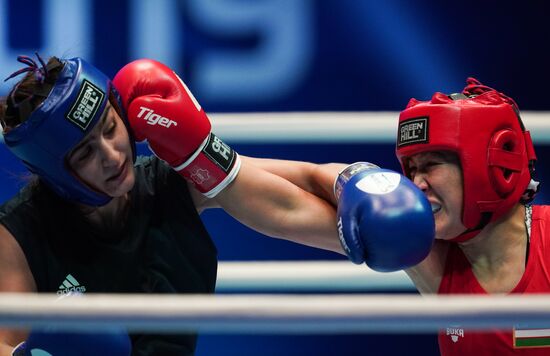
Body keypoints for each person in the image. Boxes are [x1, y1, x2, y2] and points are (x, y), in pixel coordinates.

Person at [0, 54, 435, 355]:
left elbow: (294, 186)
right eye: (85, 154)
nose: (112, 156)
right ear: (56, 172)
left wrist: (355, 187)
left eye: (110, 130)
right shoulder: (20, 232)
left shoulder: (169, 180)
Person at [393, 78, 548, 355]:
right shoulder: (432, 257)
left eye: (431, 165)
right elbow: (294, 209)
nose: (417, 184)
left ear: (495, 165)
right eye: (412, 169)